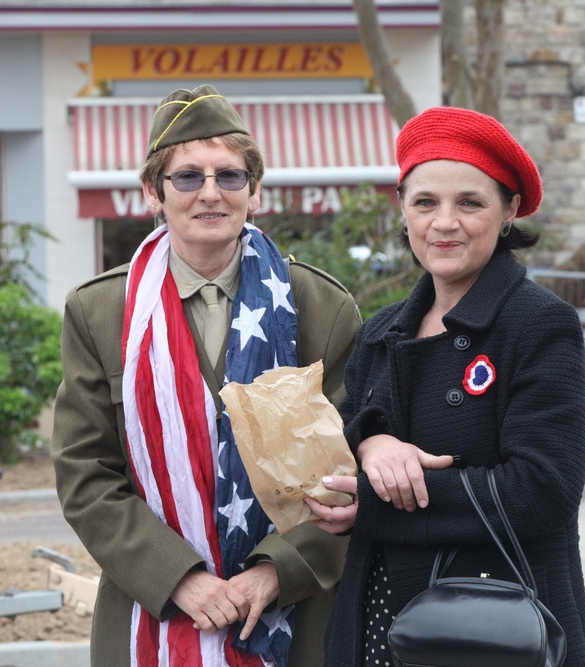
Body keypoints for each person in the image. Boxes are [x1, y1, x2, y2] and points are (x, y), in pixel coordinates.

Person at [51, 84, 361, 667]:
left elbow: (349, 471)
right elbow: (85, 473)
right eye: (188, 177)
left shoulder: (321, 307)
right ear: (153, 192)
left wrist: (274, 572)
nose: (210, 194)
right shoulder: (100, 313)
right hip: (153, 615)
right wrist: (179, 579)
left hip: (295, 617)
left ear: (256, 190)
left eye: (230, 176)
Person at [307, 106, 585, 666]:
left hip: (494, 628)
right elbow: (339, 436)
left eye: (470, 202)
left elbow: (543, 490)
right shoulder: (379, 330)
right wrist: (371, 443)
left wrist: (379, 503)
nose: (445, 223)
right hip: (376, 626)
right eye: (425, 203)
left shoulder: (540, 326)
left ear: (509, 210)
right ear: (404, 210)